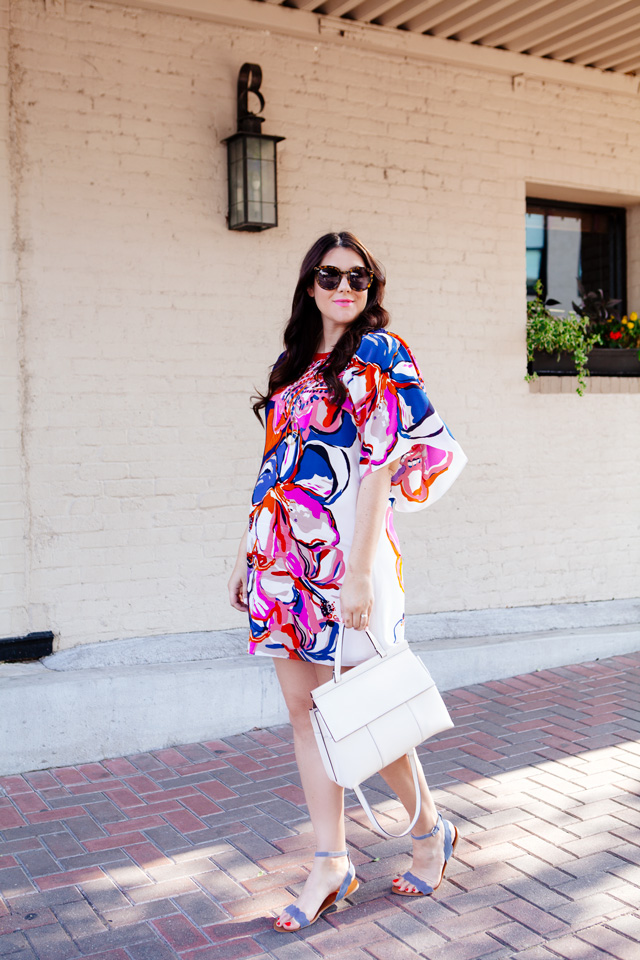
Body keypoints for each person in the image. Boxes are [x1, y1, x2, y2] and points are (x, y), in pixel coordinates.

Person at [228, 231, 467, 932]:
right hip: (282, 565)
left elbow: (384, 466)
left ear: (370, 287)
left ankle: (430, 832)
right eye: (330, 276)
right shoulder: (290, 365)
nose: (344, 287)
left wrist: (359, 573)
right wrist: (247, 558)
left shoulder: (379, 354)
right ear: (309, 285)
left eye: (358, 278)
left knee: (369, 709)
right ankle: (331, 859)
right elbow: (274, 469)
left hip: (347, 563)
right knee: (307, 715)